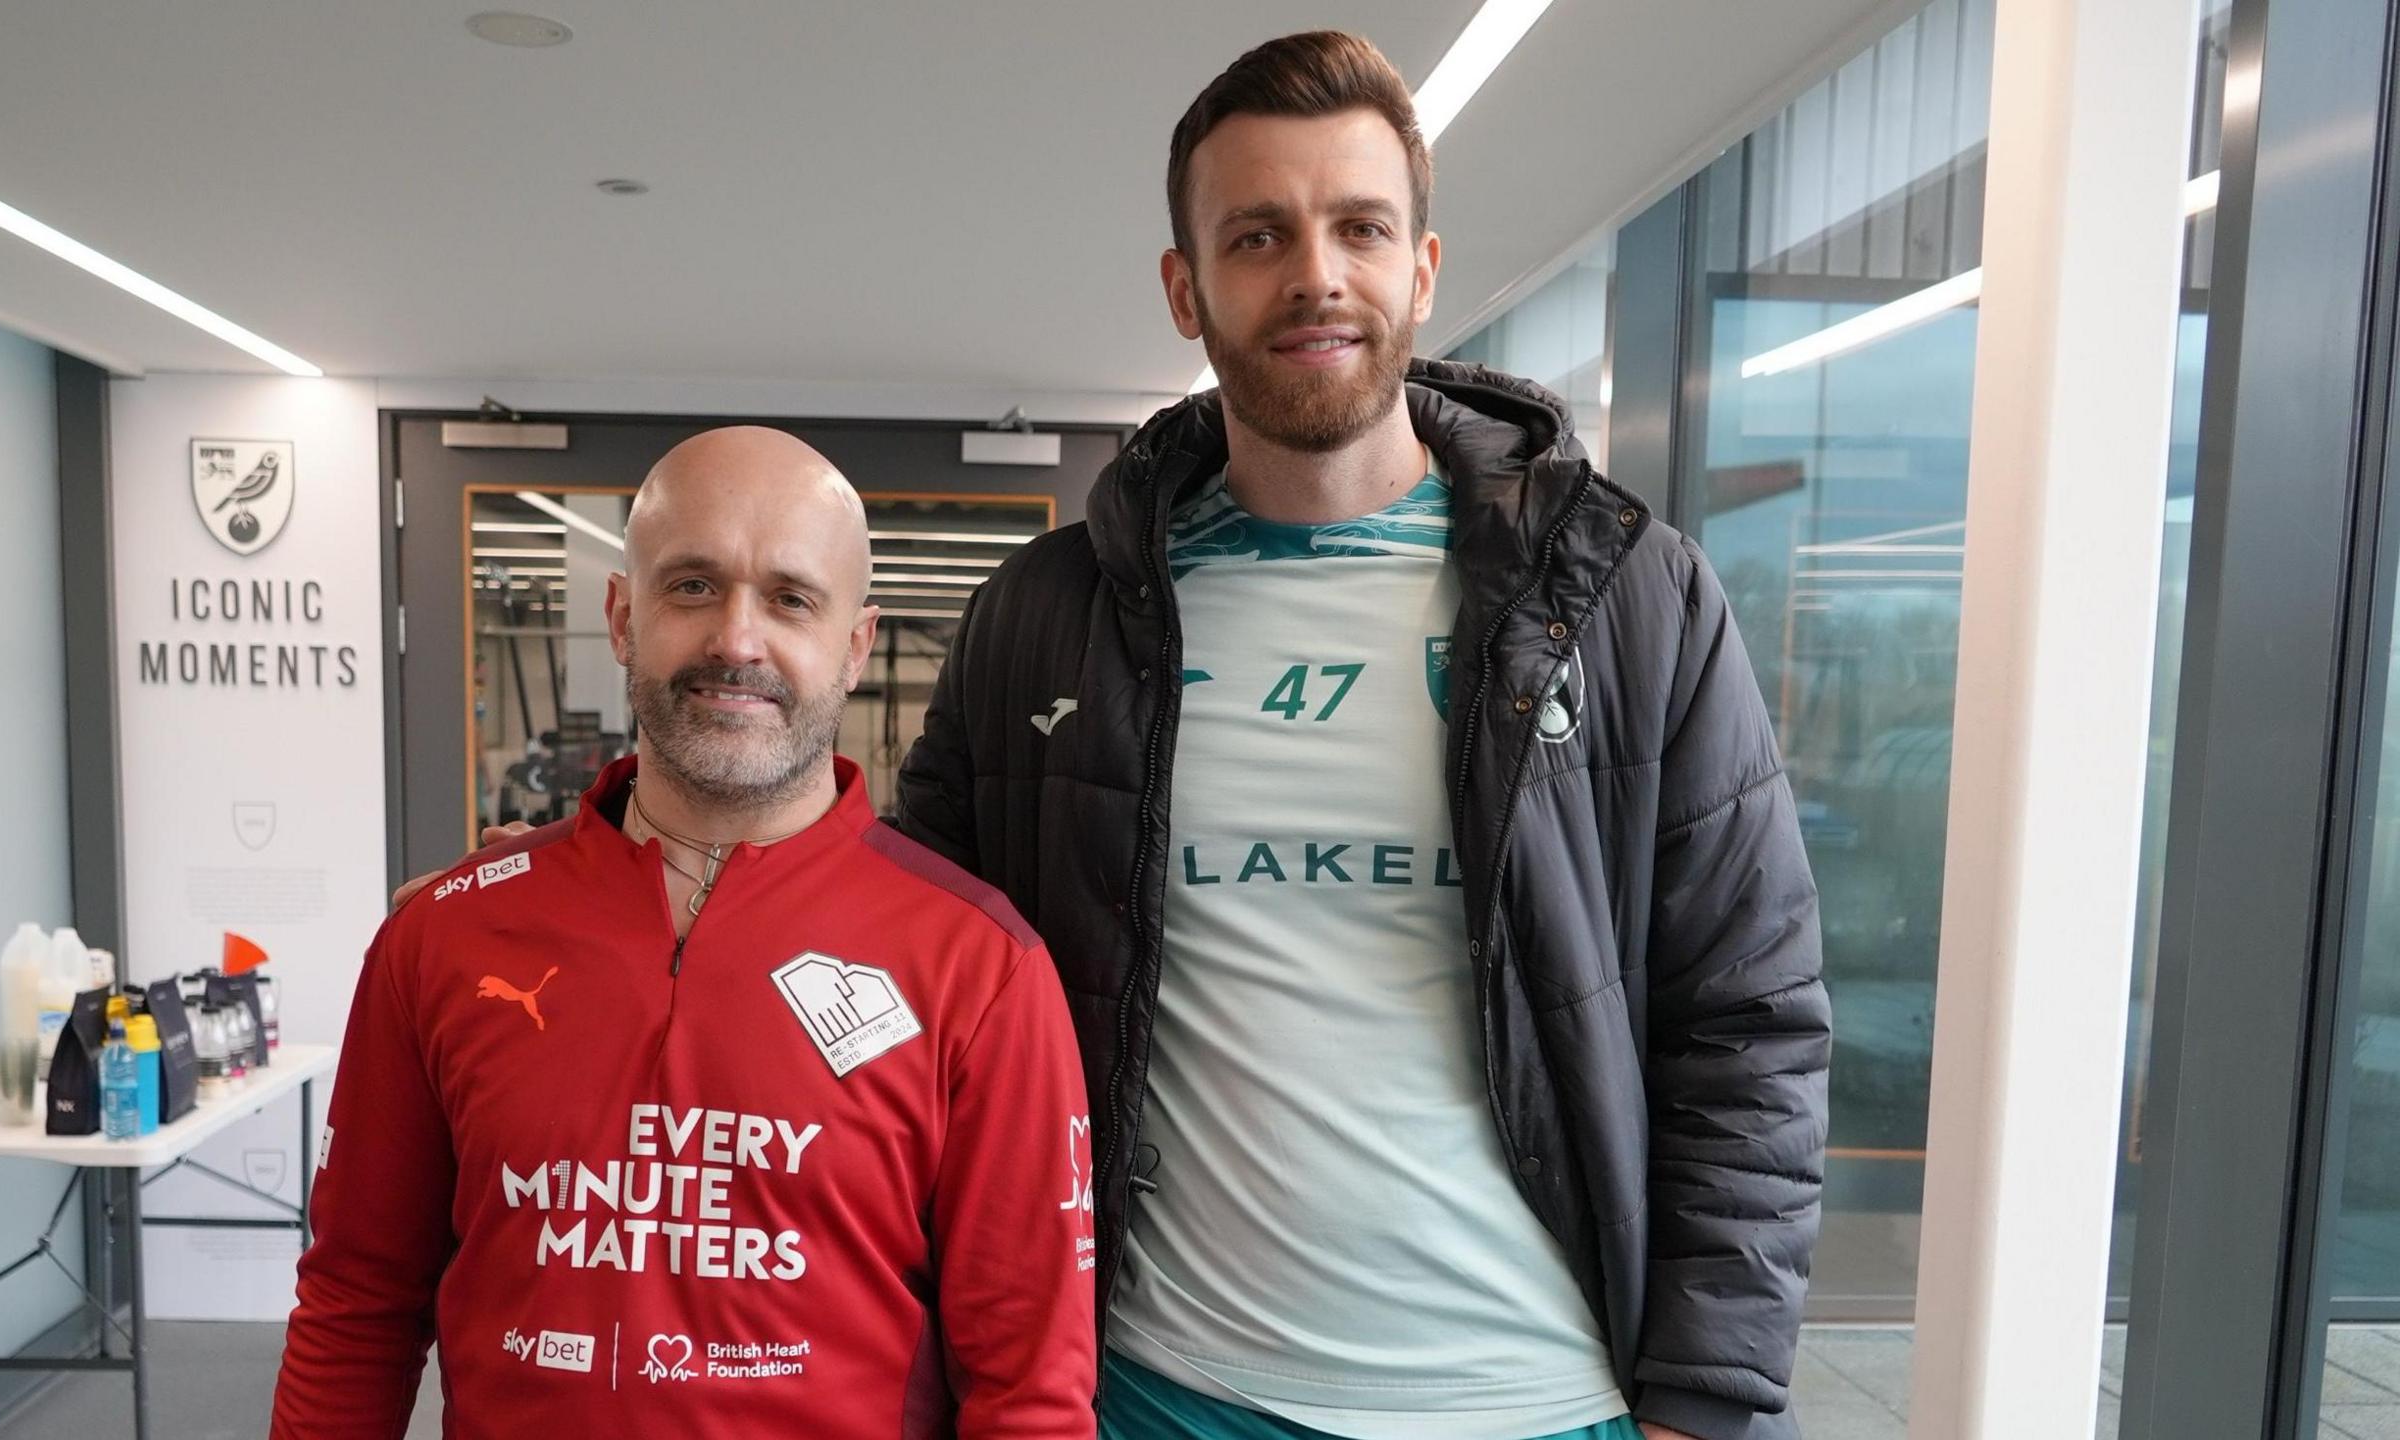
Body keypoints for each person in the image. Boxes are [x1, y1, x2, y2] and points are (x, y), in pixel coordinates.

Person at [893, 32, 1830, 1440]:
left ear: (1423, 269)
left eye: (1359, 228)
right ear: (1184, 287)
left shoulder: (1627, 599)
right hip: (1161, 1393)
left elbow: (1749, 1024)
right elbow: (912, 983)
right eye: (1258, 234)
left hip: (1543, 1399)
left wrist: (1705, 1397)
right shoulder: (1049, 618)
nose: (1314, 274)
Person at [277, 428, 1099, 1439]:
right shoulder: (445, 937)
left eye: (790, 598)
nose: (737, 642)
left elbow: (1028, 1392)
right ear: (623, 615)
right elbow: (357, 1306)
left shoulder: (978, 970)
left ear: (855, 646)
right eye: (693, 587)